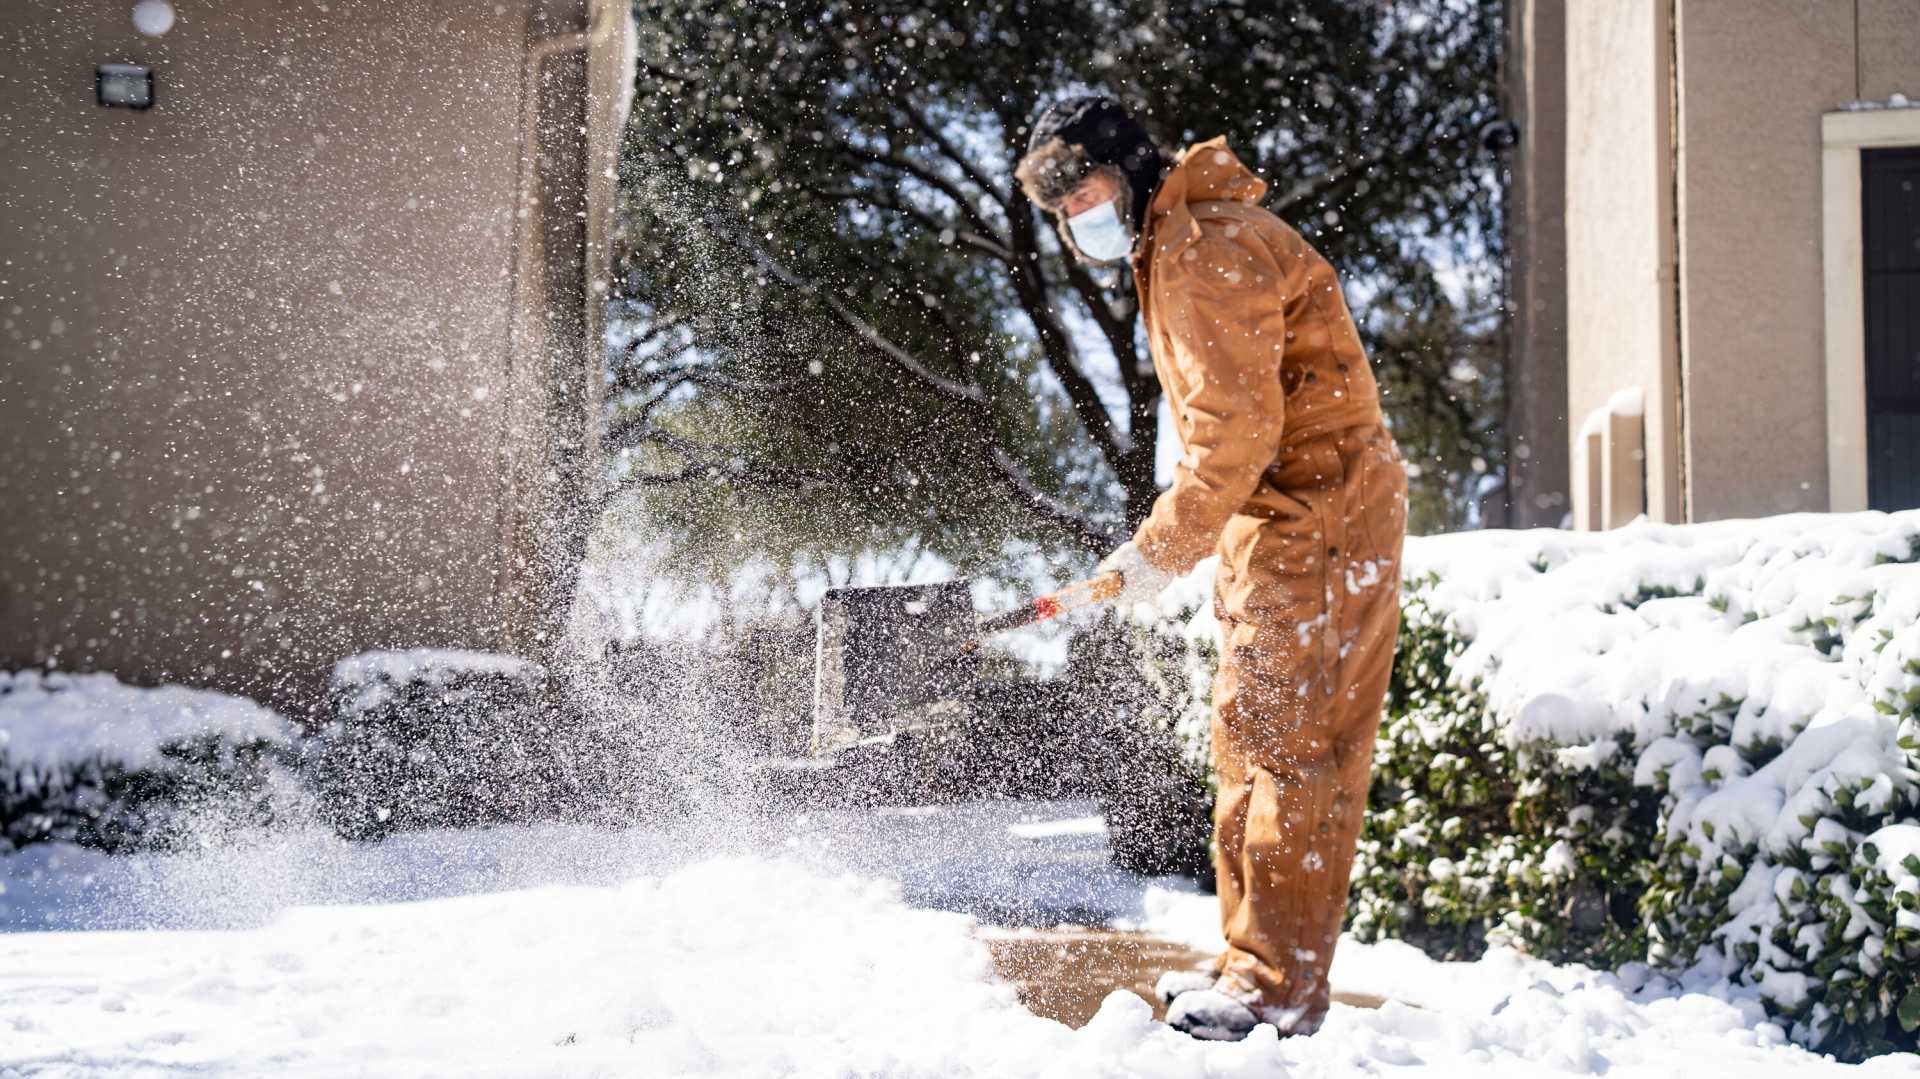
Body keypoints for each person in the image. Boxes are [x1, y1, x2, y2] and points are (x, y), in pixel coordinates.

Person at [1015, 96, 1409, 1041]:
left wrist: (1156, 550)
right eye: (1060, 209)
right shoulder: (1185, 242)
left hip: (1315, 515)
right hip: (1285, 518)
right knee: (1253, 735)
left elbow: (1235, 434)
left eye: (1086, 192)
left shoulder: (1201, 250)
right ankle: (1255, 968)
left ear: (1131, 170)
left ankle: (1271, 987)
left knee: (1287, 746)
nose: (1078, 219)